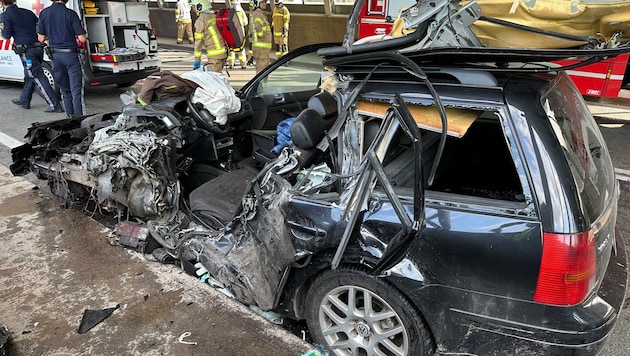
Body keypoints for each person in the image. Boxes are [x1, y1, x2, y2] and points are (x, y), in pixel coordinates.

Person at [1, 0, 63, 113]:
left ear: (1, 3)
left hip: (27, 50)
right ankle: (24, 99)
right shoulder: (28, 12)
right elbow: (40, 28)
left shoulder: (6, 15)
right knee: (29, 74)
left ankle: (55, 105)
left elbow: (6, 35)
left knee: (36, 75)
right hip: (38, 48)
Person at [37, 0, 87, 118]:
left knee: (65, 90)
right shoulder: (70, 13)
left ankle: (69, 118)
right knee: (76, 90)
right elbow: (82, 38)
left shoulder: (44, 13)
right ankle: (79, 119)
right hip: (71, 56)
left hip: (55, 57)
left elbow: (40, 38)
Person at [191, 0, 227, 73]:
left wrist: (197, 60)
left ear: (199, 7)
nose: (192, 8)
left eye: (193, 6)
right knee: (218, 77)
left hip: (214, 55)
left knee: (214, 80)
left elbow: (198, 42)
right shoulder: (214, 15)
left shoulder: (200, 21)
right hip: (223, 52)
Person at [251, 0, 271, 74]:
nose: (264, 4)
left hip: (261, 47)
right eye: (262, 2)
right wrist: (260, 35)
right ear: (257, 4)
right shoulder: (259, 14)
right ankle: (261, 85)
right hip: (262, 47)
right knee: (263, 69)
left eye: (265, 2)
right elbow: (257, 25)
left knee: (260, 67)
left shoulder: (259, 13)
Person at [226, 1, 248, 69]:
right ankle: (243, 64)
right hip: (240, 32)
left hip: (231, 32)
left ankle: (231, 64)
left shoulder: (229, 12)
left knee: (231, 48)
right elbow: (245, 22)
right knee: (241, 48)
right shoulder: (241, 12)